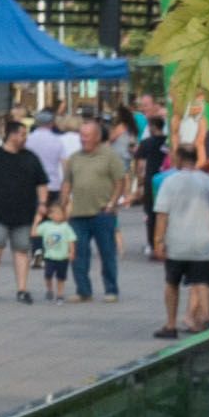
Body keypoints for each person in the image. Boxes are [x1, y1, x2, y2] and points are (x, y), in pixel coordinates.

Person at [149, 136, 209, 337]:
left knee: (172, 283)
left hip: (176, 242)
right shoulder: (208, 181)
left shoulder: (169, 182)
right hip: (202, 242)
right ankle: (207, 319)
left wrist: (158, 240)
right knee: (203, 282)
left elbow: (162, 215)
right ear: (196, 158)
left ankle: (170, 325)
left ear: (177, 159)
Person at [0, 118, 51, 302]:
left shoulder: (31, 157)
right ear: (12, 135)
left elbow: (41, 183)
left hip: (24, 213)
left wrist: (42, 203)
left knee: (22, 250)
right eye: (23, 134)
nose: (26, 138)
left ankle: (22, 290)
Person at [64, 121, 133, 305]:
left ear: (97, 137)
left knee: (107, 253)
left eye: (86, 135)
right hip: (78, 214)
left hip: (103, 213)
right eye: (81, 135)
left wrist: (113, 203)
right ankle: (83, 291)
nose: (82, 138)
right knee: (78, 255)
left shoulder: (109, 156)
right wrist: (63, 206)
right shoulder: (74, 158)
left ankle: (111, 290)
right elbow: (67, 184)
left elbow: (120, 180)